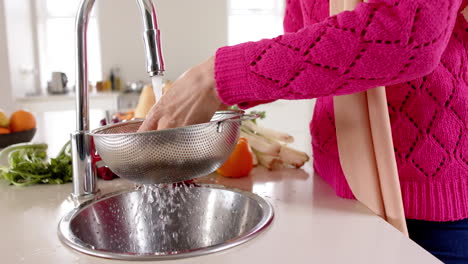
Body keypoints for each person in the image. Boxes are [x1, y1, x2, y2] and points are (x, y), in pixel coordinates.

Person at [139, 0, 468, 262]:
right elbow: (310, 50)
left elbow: (407, 35)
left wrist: (215, 77)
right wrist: (217, 98)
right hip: (336, 191)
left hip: (432, 204)